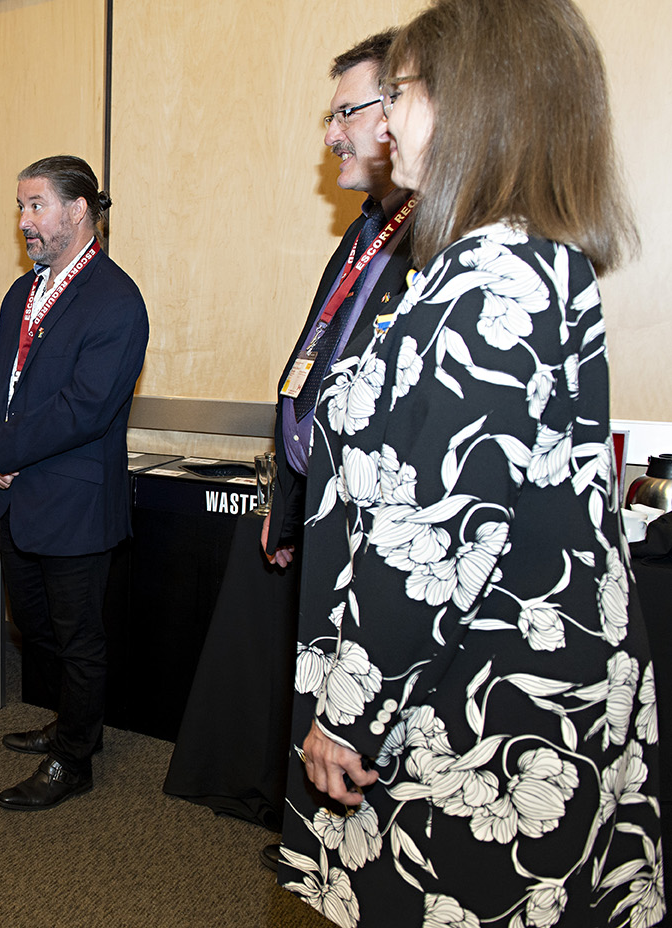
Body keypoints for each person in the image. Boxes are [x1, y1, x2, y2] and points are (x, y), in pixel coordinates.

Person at [277, 1, 663, 926]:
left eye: (398, 94)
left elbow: (439, 534)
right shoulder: (496, 262)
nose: (383, 120)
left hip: (477, 706)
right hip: (471, 673)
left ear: (472, 104)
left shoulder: (496, 278)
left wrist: (349, 713)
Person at [257, 29, 414, 874]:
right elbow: (310, 369)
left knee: (368, 720)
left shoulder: (435, 242)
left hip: (383, 538)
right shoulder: (365, 233)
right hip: (325, 517)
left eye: (346, 111)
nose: (332, 133)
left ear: (404, 109)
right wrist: (287, 496)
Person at [0, 155, 148, 810]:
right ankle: (71, 721)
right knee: (38, 628)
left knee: (78, 638)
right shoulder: (26, 290)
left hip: (73, 501)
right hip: (17, 491)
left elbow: (87, 406)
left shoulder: (116, 299)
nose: (24, 221)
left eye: (36, 205)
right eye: (20, 207)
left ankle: (75, 758)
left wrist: (7, 449)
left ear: (78, 210)